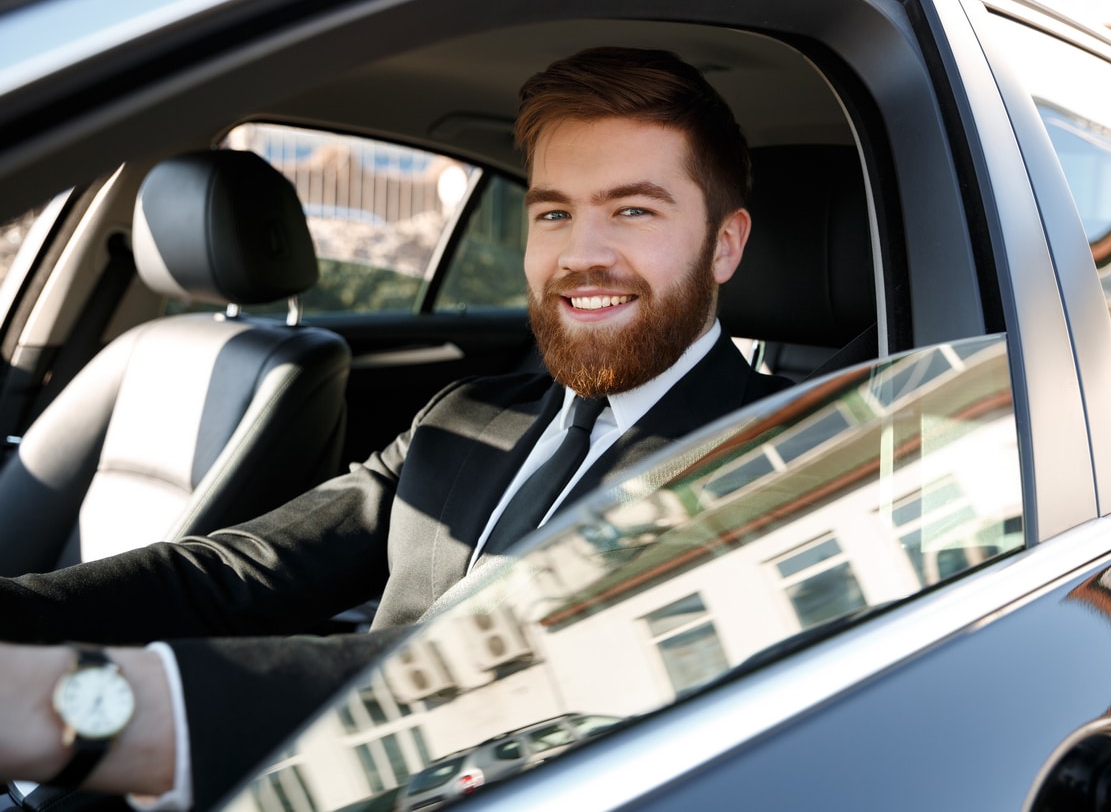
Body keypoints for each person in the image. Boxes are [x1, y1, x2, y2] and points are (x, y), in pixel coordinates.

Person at [0, 47, 790, 810]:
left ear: (724, 245)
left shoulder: (772, 455)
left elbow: (508, 680)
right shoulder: (466, 414)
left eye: (632, 210)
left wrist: (71, 706)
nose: (581, 254)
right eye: (554, 212)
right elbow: (239, 573)